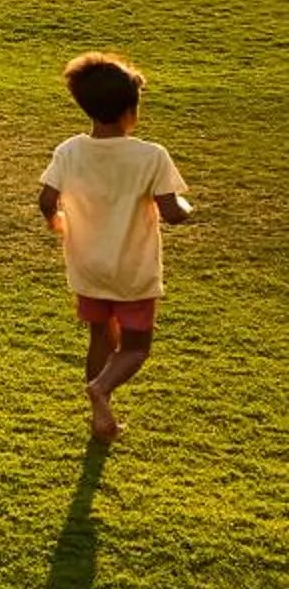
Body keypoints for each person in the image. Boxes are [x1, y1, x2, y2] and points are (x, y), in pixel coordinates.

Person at [40, 52, 196, 441]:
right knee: (136, 347)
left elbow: (46, 199)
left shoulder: (69, 150)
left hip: (87, 265)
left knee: (99, 337)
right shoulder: (150, 155)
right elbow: (172, 212)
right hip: (132, 269)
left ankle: (99, 419)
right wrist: (188, 208)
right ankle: (101, 390)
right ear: (131, 108)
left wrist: (56, 221)